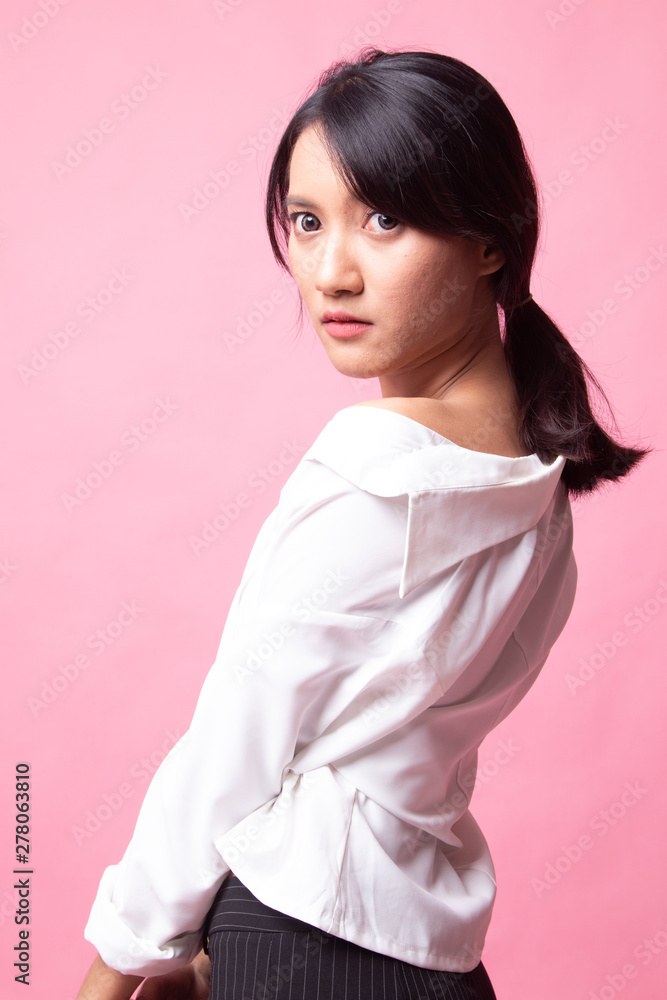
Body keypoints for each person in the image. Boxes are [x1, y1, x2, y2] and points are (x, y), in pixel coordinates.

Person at [75, 47, 649, 1000]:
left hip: (298, 937)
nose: (331, 272)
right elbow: (374, 739)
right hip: (421, 954)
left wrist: (122, 963)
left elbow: (232, 745)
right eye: (307, 222)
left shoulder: (374, 467)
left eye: (384, 218)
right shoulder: (537, 486)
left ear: (490, 239)